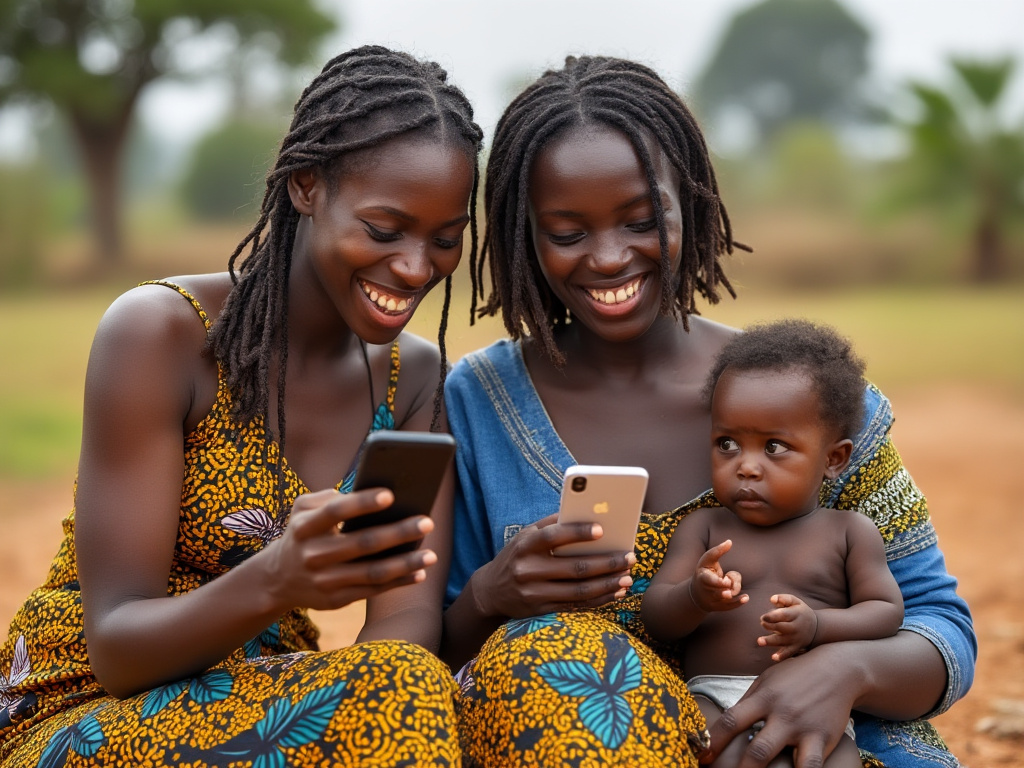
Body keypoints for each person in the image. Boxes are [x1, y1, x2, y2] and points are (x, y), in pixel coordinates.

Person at [441, 55, 975, 768]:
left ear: (688, 203)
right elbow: (425, 659)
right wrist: (489, 594)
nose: (608, 258)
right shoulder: (478, 404)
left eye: (640, 219)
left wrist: (847, 670)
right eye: (567, 232)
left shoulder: (811, 397)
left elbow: (942, 628)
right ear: (523, 234)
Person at [0, 45, 482, 767]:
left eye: (444, 240)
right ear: (306, 185)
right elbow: (117, 647)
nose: (416, 269)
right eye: (385, 230)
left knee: (421, 693)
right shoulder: (162, 334)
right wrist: (279, 577)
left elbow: (402, 633)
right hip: (84, 703)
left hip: (262, 695)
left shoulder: (414, 383)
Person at [642, 319, 906, 768]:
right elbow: (657, 618)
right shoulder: (704, 528)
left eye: (774, 447)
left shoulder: (849, 531)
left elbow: (886, 611)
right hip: (713, 695)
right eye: (727, 443)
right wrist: (695, 595)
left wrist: (818, 627)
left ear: (833, 458)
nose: (746, 466)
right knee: (706, 752)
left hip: (817, 698)